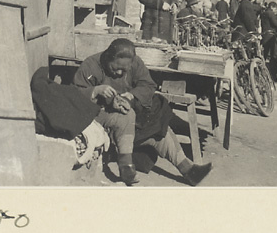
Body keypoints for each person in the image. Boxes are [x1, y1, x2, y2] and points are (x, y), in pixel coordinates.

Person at [73, 38, 212, 186]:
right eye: (115, 68)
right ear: (108, 57)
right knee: (127, 116)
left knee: (158, 129)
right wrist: (96, 91)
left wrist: (132, 96)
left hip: (126, 112)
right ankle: (126, 166)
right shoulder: (90, 66)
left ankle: (189, 170)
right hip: (98, 115)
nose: (119, 72)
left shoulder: (134, 62)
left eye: (124, 70)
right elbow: (74, 95)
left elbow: (148, 85)